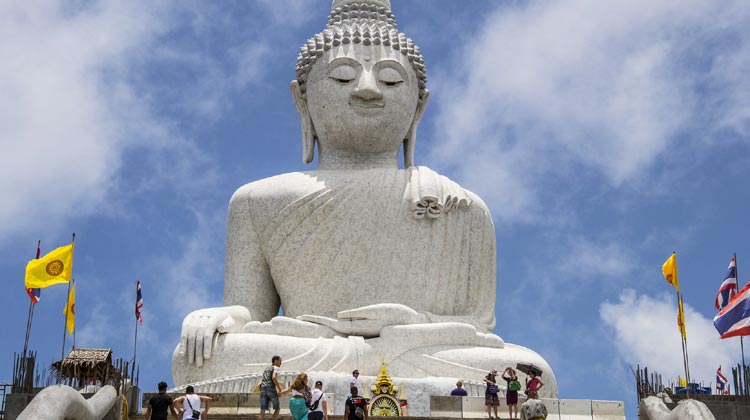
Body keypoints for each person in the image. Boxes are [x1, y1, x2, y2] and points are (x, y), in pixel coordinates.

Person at [172, 0, 557, 399]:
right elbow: (250, 312)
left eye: (391, 81)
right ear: (302, 101)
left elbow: (476, 328)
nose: (367, 89)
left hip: (419, 348)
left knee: (533, 372)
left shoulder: (461, 205)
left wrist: (406, 322)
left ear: (418, 109)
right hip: (305, 345)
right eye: (341, 78)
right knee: (197, 355)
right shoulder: (257, 200)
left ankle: (353, 372)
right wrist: (219, 317)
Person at [259, 356, 284, 420]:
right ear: (275, 361)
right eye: (280, 361)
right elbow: (274, 377)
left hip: (263, 388)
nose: (281, 363)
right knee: (277, 409)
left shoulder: (266, 368)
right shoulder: (275, 367)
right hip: (270, 388)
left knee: (262, 411)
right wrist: (280, 389)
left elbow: (264, 380)